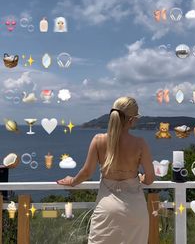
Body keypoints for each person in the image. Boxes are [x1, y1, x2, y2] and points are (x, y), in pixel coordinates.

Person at [57, 96, 155, 244]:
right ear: (131, 120)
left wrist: (72, 181)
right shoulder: (140, 143)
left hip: (107, 209)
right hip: (135, 209)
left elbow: (86, 172)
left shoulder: (98, 140)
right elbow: (150, 178)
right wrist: (141, 178)